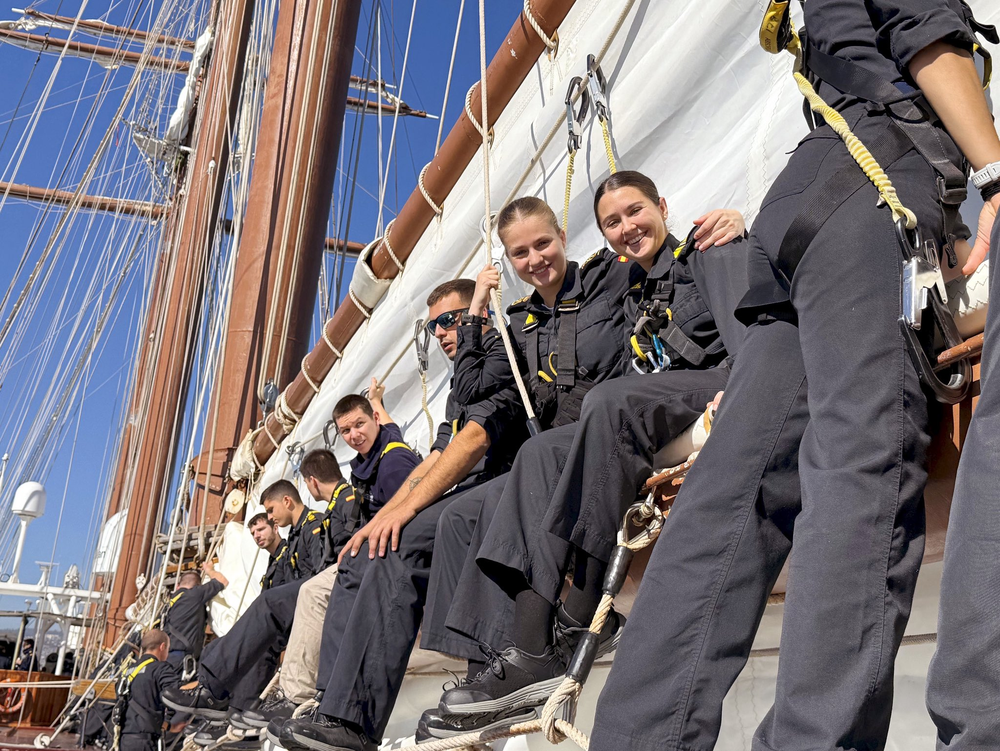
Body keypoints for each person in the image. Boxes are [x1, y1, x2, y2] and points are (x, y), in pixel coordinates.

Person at [586, 3, 1000, 751]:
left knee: (734, 489)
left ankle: (638, 735)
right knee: (862, 467)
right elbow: (923, 39)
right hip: (873, 181)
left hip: (797, 203)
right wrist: (996, 172)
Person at [421, 173, 749, 737]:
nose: (626, 229)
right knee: (536, 457)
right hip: (624, 412)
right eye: (613, 222)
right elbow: (472, 386)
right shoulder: (558, 306)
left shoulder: (653, 266)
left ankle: (572, 617)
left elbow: (746, 310)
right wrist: (477, 306)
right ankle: (510, 660)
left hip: (675, 395)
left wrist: (741, 222)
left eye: (634, 213)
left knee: (601, 405)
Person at [273, 276, 543, 751]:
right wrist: (383, 518)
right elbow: (437, 457)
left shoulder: (499, 361)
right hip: (469, 490)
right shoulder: (460, 389)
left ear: (477, 317)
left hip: (504, 484)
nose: (440, 333)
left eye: (449, 321)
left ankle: (360, 722)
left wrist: (402, 515)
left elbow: (472, 442)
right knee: (360, 554)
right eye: (432, 326)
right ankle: (333, 705)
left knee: (399, 544)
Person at [163, 479, 327, 721]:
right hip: (290, 614)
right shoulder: (284, 551)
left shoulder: (309, 531)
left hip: (302, 613)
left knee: (263, 635)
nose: (256, 535)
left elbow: (314, 577)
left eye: (263, 526)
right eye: (252, 533)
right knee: (216, 646)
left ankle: (233, 708)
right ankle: (228, 711)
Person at [240, 449, 354, 726]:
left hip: (320, 604)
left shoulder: (315, 525)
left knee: (265, 638)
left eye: (270, 511)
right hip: (303, 608)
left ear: (287, 501)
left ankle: (271, 702)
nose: (268, 519)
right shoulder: (298, 534)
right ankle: (239, 709)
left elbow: (318, 573)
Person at [117, 629, 180, 751]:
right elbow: (176, 692)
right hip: (145, 742)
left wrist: (168, 726)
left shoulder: (126, 672)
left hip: (124, 740)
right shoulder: (160, 668)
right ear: (162, 647)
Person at [160, 564, 229, 669]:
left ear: (178, 586)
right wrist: (209, 570)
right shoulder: (195, 594)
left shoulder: (169, 604)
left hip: (166, 658)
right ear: (198, 586)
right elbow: (222, 580)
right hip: (183, 659)